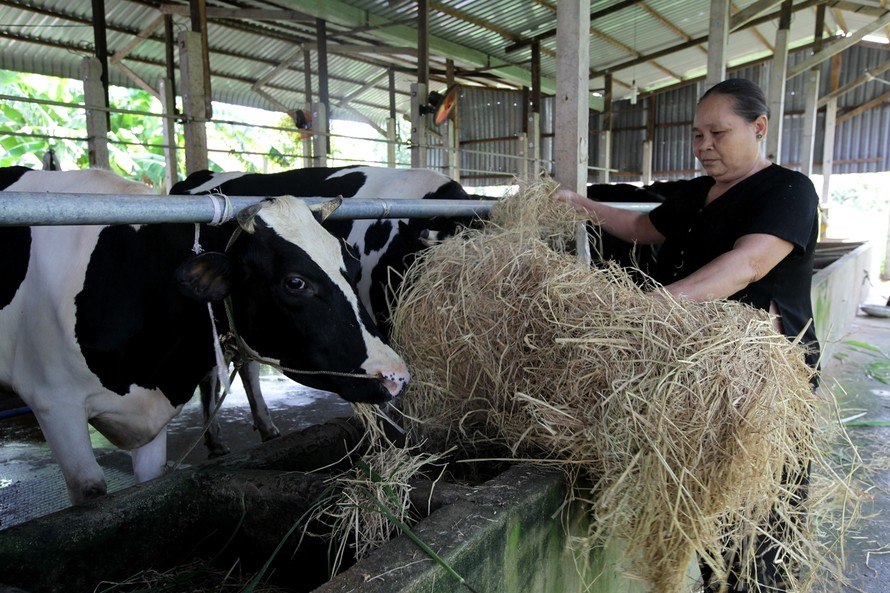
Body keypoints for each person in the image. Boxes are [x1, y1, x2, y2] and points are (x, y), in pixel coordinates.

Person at [554, 78, 820, 592]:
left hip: (760, 385)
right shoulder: (697, 193)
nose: (703, 146)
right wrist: (579, 203)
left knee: (761, 519)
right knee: (705, 511)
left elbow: (748, 263)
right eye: (697, 135)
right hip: (696, 379)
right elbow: (640, 229)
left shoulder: (787, 190)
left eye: (718, 132)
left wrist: (651, 306)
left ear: (759, 127)